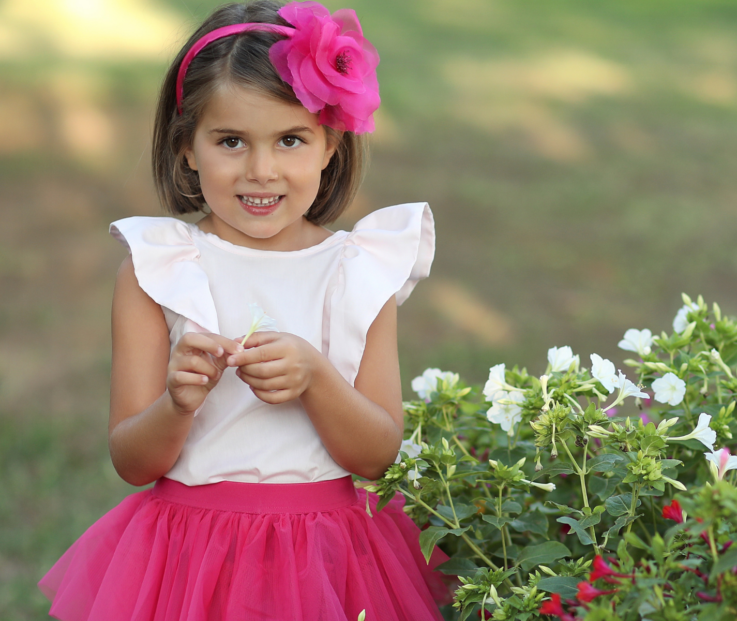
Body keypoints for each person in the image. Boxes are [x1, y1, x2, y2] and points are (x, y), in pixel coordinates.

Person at [38, 2, 447, 619]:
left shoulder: (357, 270)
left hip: (329, 558)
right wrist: (177, 402)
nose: (261, 170)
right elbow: (132, 460)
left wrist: (315, 377)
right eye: (231, 141)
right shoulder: (160, 269)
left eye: (290, 140)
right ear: (188, 150)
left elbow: (379, 454)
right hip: (190, 560)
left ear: (330, 144)